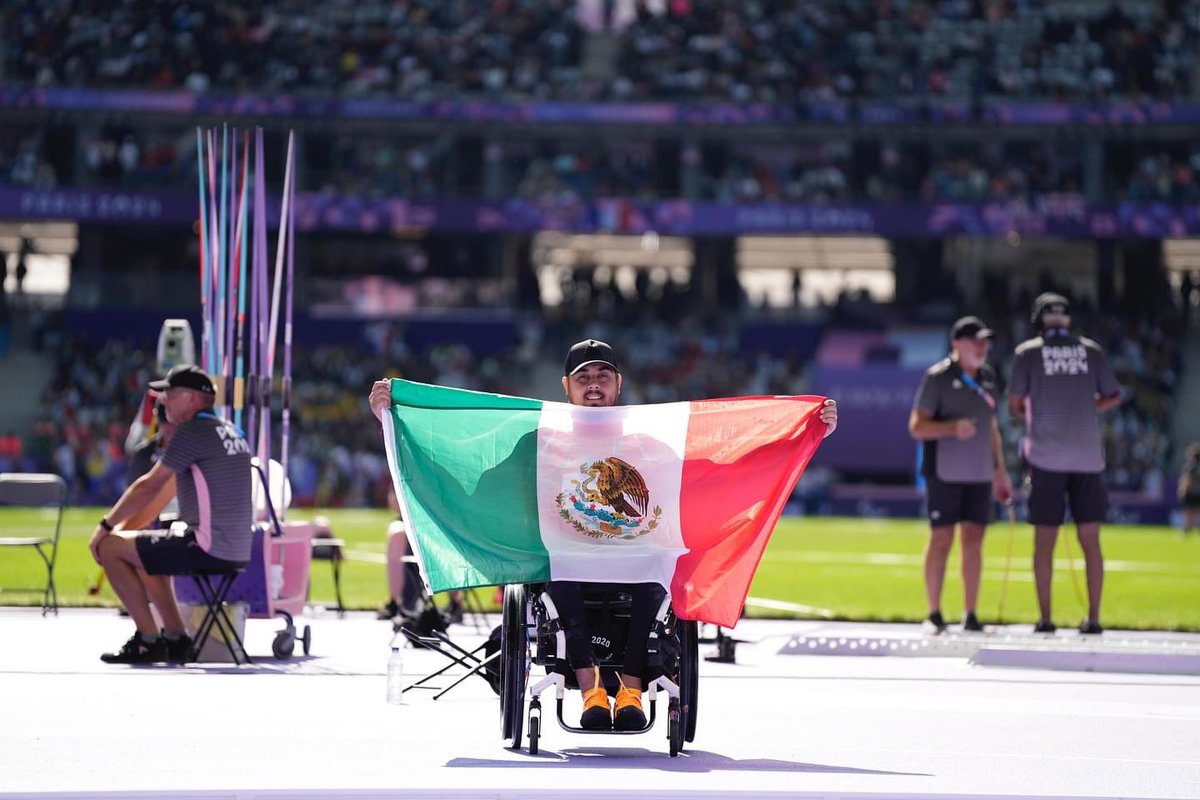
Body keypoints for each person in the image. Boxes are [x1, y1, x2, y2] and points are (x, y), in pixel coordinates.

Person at [370, 338, 839, 731]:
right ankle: (592, 690)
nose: (593, 385)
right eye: (583, 377)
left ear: (618, 384)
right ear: (566, 387)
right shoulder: (538, 439)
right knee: (563, 568)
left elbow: (711, 472)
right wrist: (394, 422)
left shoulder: (647, 441)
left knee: (656, 567)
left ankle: (631, 691)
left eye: (602, 376)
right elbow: (483, 488)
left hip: (635, 559)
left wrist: (800, 433)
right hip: (563, 558)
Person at [89, 365, 253, 664]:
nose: (162, 400)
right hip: (237, 547)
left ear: (192, 398)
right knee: (142, 550)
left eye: (170, 394)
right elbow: (163, 494)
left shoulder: (191, 432)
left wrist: (105, 528)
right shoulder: (230, 430)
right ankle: (175, 638)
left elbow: (149, 487)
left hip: (208, 547)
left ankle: (149, 640)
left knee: (111, 548)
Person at [1008, 293, 1121, 635]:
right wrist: (1086, 409)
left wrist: (1040, 409)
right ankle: (1095, 618)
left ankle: (1045, 619)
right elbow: (1113, 396)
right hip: (1087, 457)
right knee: (1091, 539)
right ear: (1069, 319)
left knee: (1045, 541)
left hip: (1046, 457)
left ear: (1039, 319)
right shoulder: (1091, 351)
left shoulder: (1028, 353)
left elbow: (1014, 405)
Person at [910, 316, 1013, 634]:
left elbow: (991, 426)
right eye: (975, 341)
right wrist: (953, 428)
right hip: (944, 472)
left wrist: (1001, 471)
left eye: (985, 341)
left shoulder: (989, 377)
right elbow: (916, 427)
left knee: (974, 540)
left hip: (980, 473)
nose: (982, 347)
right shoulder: (937, 378)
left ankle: (970, 614)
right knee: (941, 538)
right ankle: (934, 613)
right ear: (957, 344)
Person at [1178, 443, 1200, 537]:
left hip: (1192, 492)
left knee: (1189, 512)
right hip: (1196, 492)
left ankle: (1186, 529)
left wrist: (1183, 490)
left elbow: (1189, 480)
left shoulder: (1192, 466)